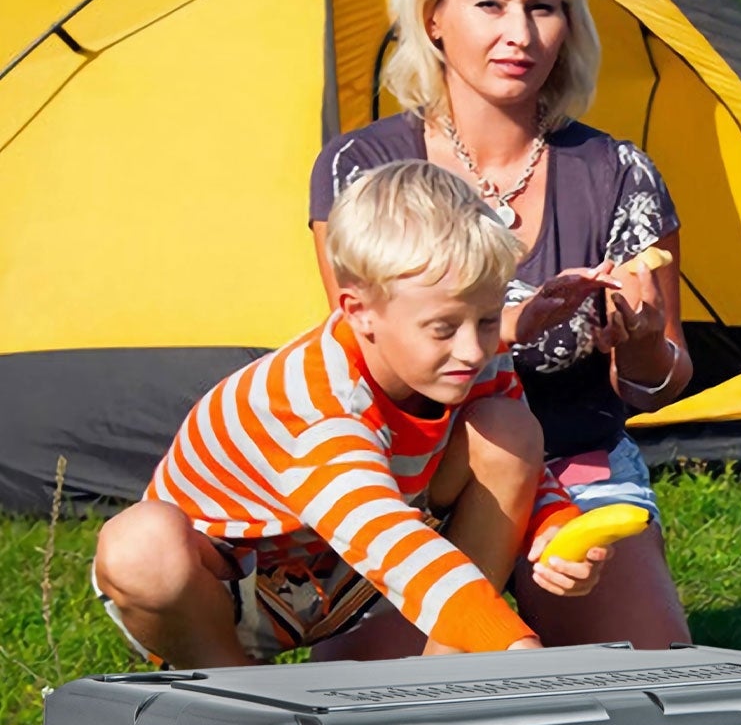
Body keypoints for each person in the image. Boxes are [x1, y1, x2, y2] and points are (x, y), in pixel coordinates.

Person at [308, 0, 692, 648]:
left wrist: (644, 344)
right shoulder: (362, 169)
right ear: (432, 18)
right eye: (490, 5)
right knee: (389, 709)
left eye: (544, 7)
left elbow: (661, 382)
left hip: (579, 463)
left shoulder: (619, 172)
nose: (520, 33)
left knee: (646, 690)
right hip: (420, 477)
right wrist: (511, 327)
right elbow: (363, 364)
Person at [93, 161, 605, 668]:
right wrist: (510, 640)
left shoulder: (470, 360)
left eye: (488, 319)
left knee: (508, 430)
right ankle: (237, 698)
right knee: (140, 546)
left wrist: (553, 529)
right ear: (359, 312)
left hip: (353, 574)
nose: (473, 349)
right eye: (443, 328)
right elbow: (382, 535)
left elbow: (522, 473)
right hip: (234, 590)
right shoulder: (313, 402)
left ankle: (444, 678)